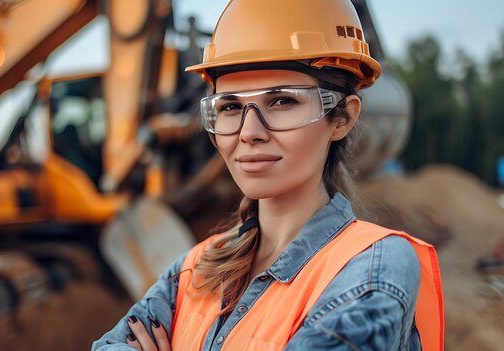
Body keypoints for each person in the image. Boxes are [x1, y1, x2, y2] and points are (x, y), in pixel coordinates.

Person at [93, 0, 444, 350]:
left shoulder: (372, 266)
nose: (248, 132)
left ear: (342, 118)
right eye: (230, 107)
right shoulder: (196, 266)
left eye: (281, 101)